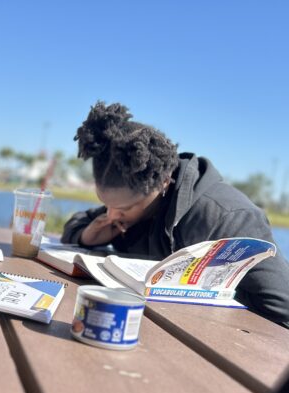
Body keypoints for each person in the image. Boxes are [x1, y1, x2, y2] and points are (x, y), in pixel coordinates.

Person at [61, 101, 289, 328]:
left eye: (124, 208)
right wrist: (85, 236)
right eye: (105, 204)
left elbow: (282, 308)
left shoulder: (227, 217)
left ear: (161, 184)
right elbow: (78, 222)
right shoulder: (129, 198)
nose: (111, 215)